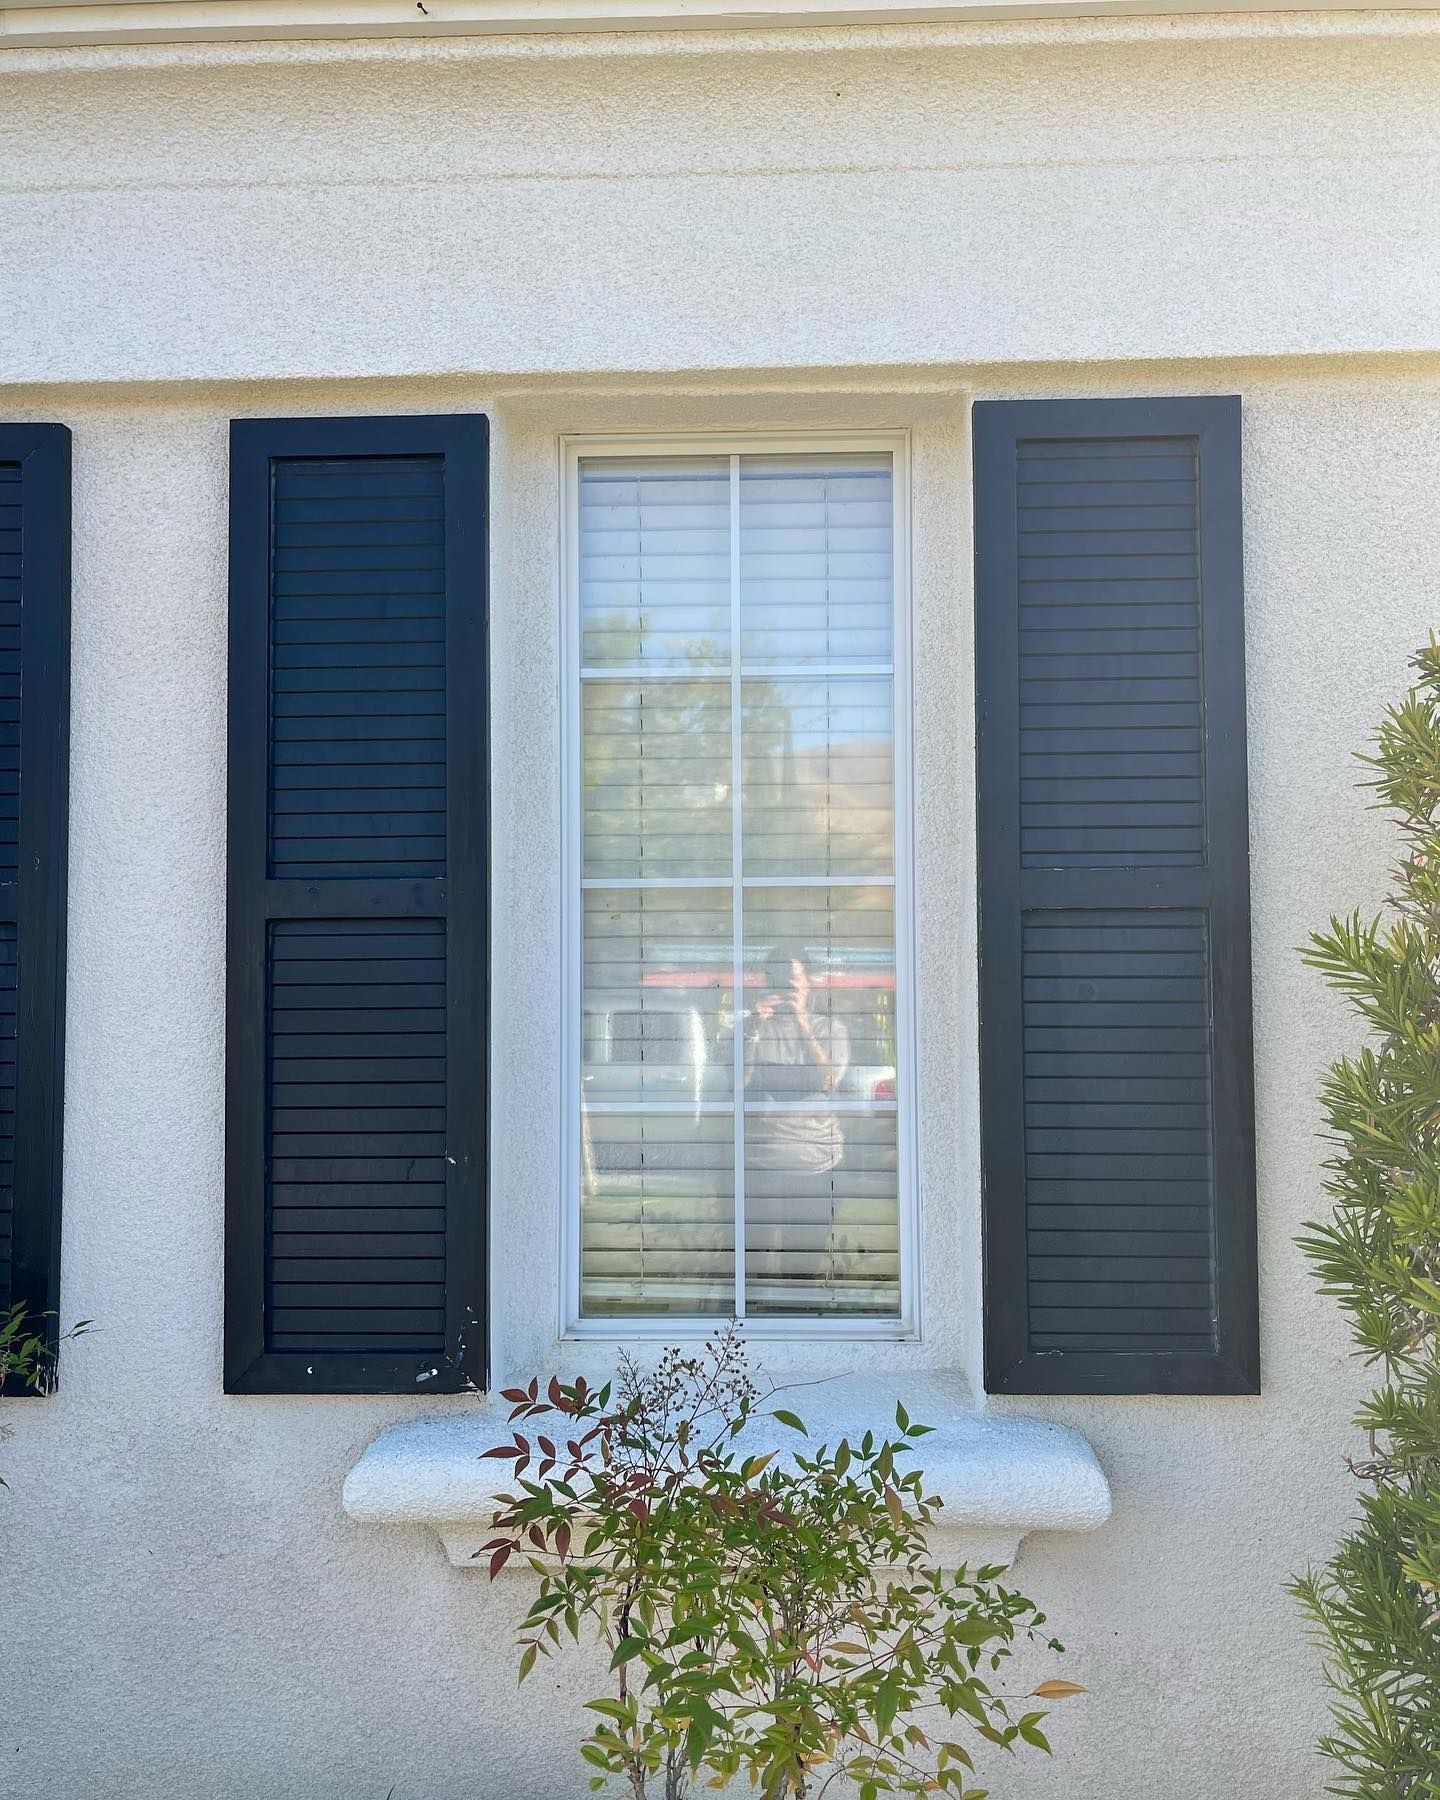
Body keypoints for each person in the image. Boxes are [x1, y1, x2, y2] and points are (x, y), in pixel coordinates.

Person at [743, 944, 849, 1175]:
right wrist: (752, 1027)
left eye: (794, 978)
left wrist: (802, 1023)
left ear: (808, 983)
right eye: (781, 978)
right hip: (758, 1163)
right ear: (769, 983)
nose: (789, 985)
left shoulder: (829, 1029)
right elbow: (739, 1080)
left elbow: (829, 1081)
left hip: (820, 1163)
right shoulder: (752, 1029)